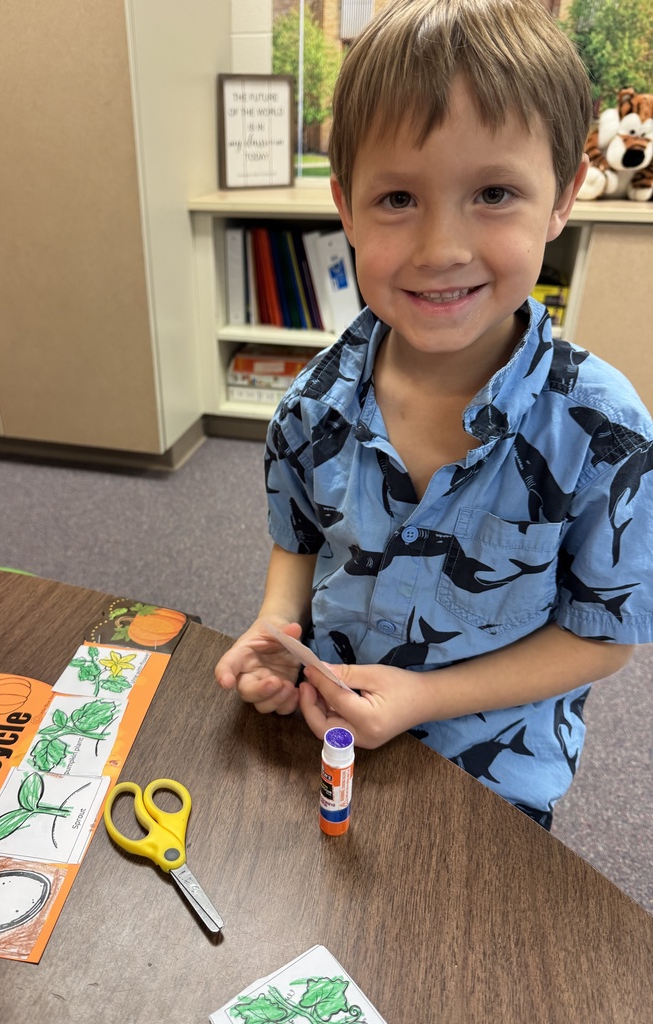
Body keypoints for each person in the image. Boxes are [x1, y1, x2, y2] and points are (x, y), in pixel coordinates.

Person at [215, 0, 653, 828]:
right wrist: (277, 631)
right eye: (397, 200)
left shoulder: (606, 434)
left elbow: (603, 636)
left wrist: (426, 696)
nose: (441, 247)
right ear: (345, 204)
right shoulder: (311, 406)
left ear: (561, 199)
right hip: (330, 737)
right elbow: (297, 542)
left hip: (495, 792)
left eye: (493, 192)